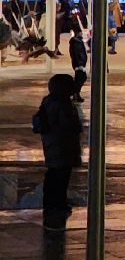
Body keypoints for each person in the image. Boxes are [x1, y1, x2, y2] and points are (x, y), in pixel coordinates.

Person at [33, 74, 81, 231]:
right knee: (60, 178)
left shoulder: (48, 101)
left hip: (52, 146)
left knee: (53, 176)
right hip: (62, 146)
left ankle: (51, 205)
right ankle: (58, 206)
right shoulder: (63, 104)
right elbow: (68, 125)